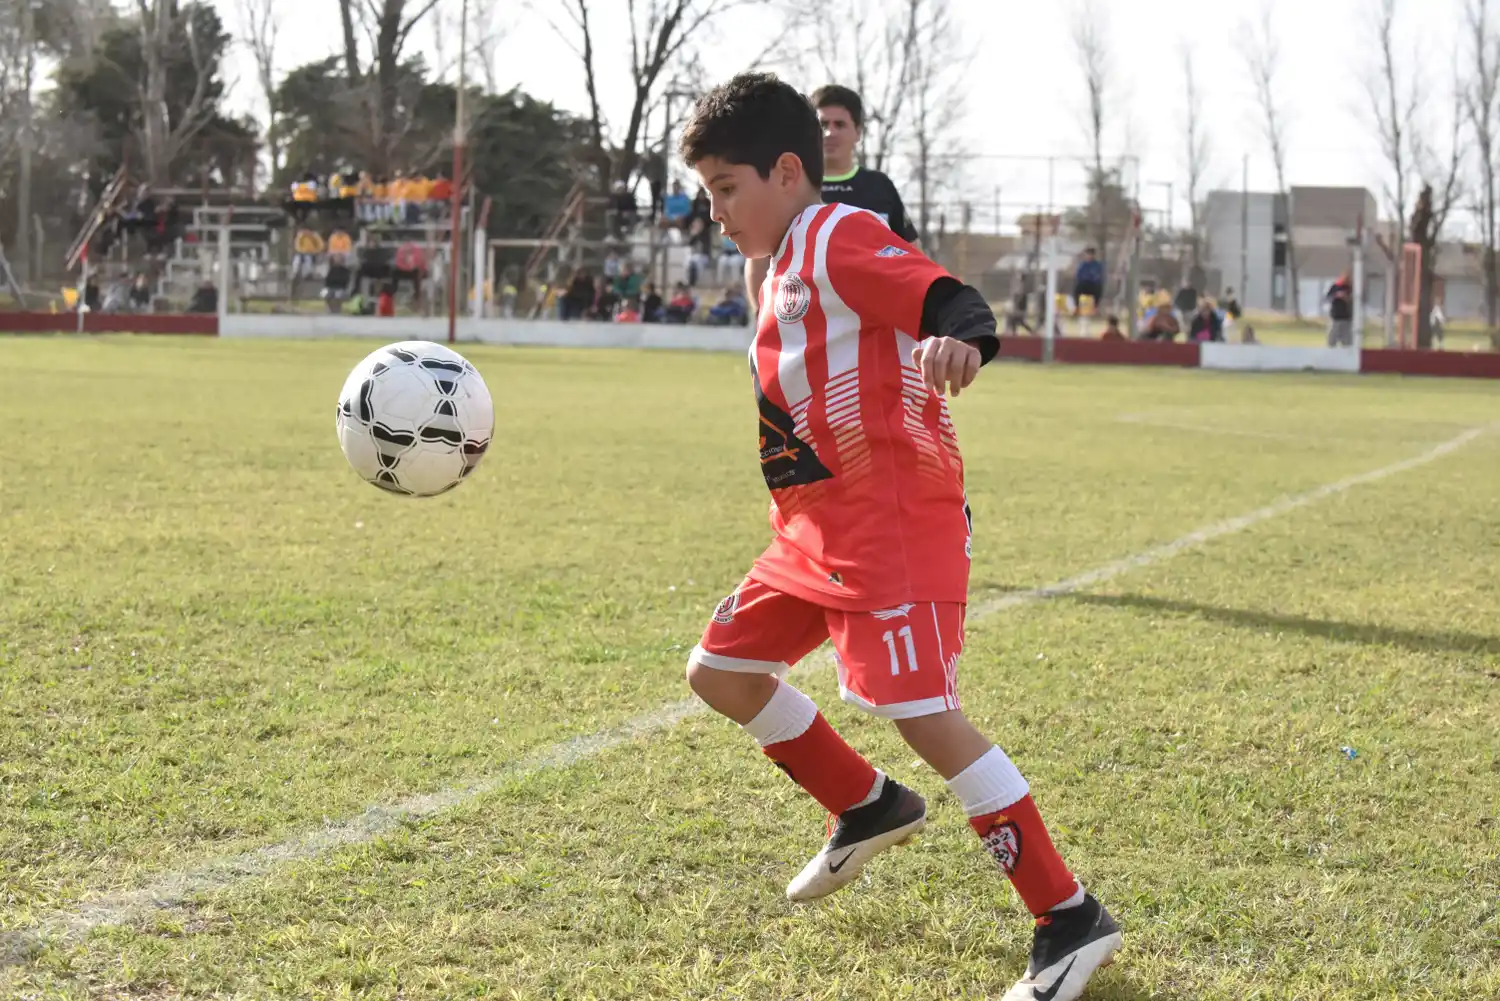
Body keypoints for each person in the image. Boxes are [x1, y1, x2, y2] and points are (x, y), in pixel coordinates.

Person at [678, 72, 1120, 1001]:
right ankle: (868, 802)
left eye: (725, 188)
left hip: (892, 524)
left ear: (787, 171)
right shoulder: (786, 258)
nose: (713, 211)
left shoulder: (836, 233)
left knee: (923, 714)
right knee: (718, 670)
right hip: (811, 530)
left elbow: (943, 296)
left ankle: (1069, 917)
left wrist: (963, 336)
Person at [744, 83, 918, 311]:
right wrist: (762, 314)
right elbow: (758, 259)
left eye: (840, 124)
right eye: (823, 124)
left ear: (858, 132)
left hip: (874, 321)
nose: (830, 132)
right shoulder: (786, 185)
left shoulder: (880, 186)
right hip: (805, 323)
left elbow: (913, 256)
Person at [1072, 249, 1103, 317]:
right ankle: (1077, 307)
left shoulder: (1097, 265)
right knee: (1077, 289)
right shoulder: (1083, 265)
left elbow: (1097, 276)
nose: (1089, 256)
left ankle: (1095, 308)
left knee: (1099, 288)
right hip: (1084, 284)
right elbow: (1079, 275)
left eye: (1091, 254)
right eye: (1088, 254)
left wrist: (1091, 277)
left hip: (1093, 285)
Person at [1326, 274, 1354, 347]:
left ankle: (1347, 349)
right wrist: (1336, 295)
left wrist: (1346, 297)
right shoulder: (1335, 287)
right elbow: (1328, 297)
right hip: (1336, 316)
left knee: (1346, 337)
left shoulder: (1350, 288)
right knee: (1332, 337)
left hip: (1346, 316)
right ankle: (1331, 350)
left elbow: (1353, 300)